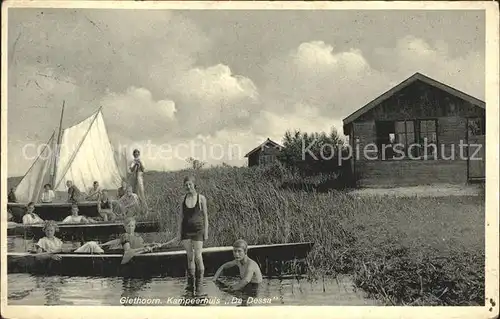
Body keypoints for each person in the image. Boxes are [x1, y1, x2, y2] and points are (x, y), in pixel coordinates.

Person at [172, 176, 209, 296]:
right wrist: (178, 232)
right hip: (186, 231)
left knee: (198, 256)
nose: (188, 187)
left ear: (194, 184)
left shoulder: (201, 198)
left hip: (198, 230)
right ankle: (191, 282)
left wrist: (206, 232)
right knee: (190, 257)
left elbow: (206, 216)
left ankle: (200, 284)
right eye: (186, 185)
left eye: (190, 184)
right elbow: (180, 217)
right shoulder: (182, 199)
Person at [213, 239, 263, 306]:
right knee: (224, 289)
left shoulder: (251, 264)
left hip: (255, 289)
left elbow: (246, 280)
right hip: (245, 287)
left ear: (245, 252)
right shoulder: (238, 261)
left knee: (228, 292)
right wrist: (214, 279)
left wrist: (231, 288)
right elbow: (223, 266)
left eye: (239, 251)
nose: (236, 254)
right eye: (234, 251)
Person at [33, 220, 103, 259]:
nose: (49, 232)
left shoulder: (58, 240)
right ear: (44, 231)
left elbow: (64, 249)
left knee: (92, 244)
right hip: (60, 258)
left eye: (51, 230)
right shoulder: (42, 240)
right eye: (47, 230)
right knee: (91, 244)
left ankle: (103, 256)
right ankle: (104, 258)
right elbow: (39, 255)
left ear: (55, 231)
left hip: (67, 256)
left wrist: (73, 247)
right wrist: (51, 256)